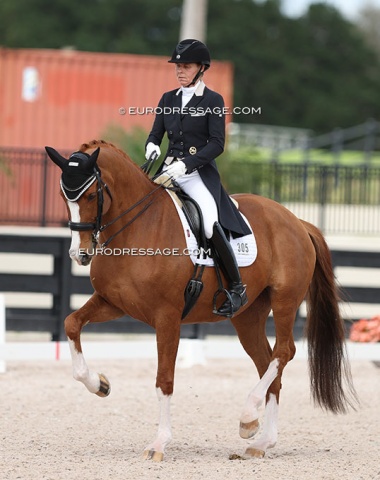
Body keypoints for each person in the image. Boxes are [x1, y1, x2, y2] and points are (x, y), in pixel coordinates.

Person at [145, 38, 250, 317]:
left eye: (186, 66)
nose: (179, 71)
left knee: (208, 222)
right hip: (167, 171)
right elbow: (157, 132)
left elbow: (217, 144)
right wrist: (152, 145)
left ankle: (237, 287)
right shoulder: (168, 98)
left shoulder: (213, 100)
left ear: (201, 68)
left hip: (196, 175)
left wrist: (187, 164)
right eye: (177, 66)